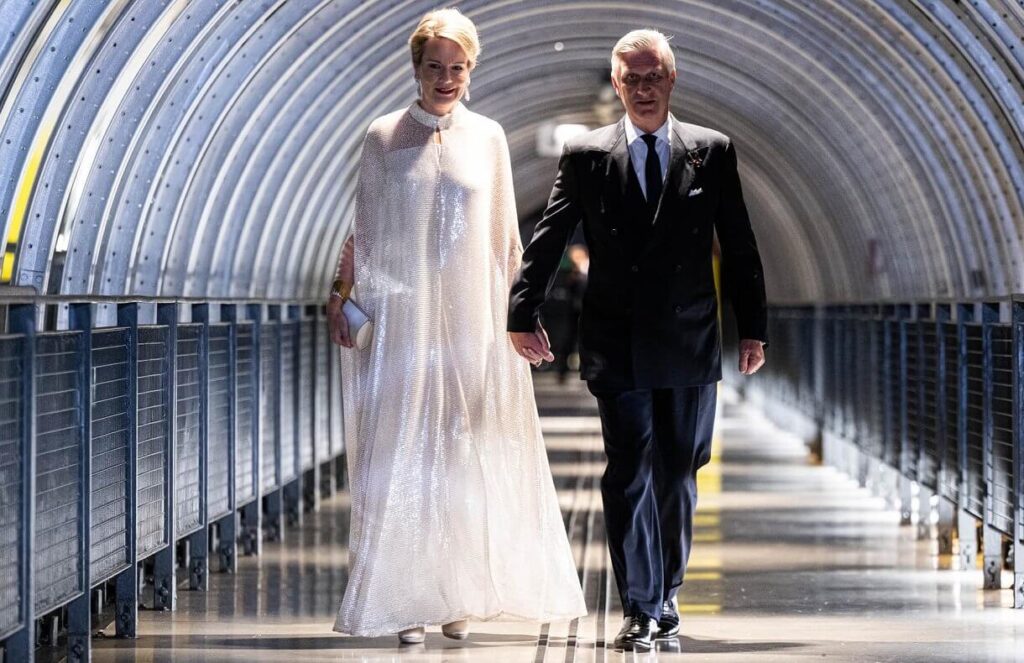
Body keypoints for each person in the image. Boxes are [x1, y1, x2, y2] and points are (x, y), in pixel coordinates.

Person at [326, 8, 585, 646]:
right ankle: (405, 598)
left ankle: (457, 591)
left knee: (465, 457)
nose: (446, 78)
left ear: (472, 71)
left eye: (457, 68)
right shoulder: (381, 136)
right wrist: (340, 294)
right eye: (435, 67)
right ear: (416, 69)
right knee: (401, 458)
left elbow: (507, 244)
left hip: (474, 327)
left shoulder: (491, 138)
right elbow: (365, 228)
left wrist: (520, 320)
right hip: (403, 328)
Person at [508, 29, 768, 651]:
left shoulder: (711, 151)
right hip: (616, 338)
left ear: (672, 80)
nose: (644, 89)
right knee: (628, 471)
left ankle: (669, 592)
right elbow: (550, 236)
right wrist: (523, 310)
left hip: (689, 340)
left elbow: (740, 244)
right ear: (617, 85)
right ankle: (641, 604)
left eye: (655, 77)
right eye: (633, 79)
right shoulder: (587, 154)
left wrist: (753, 327)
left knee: (679, 469)